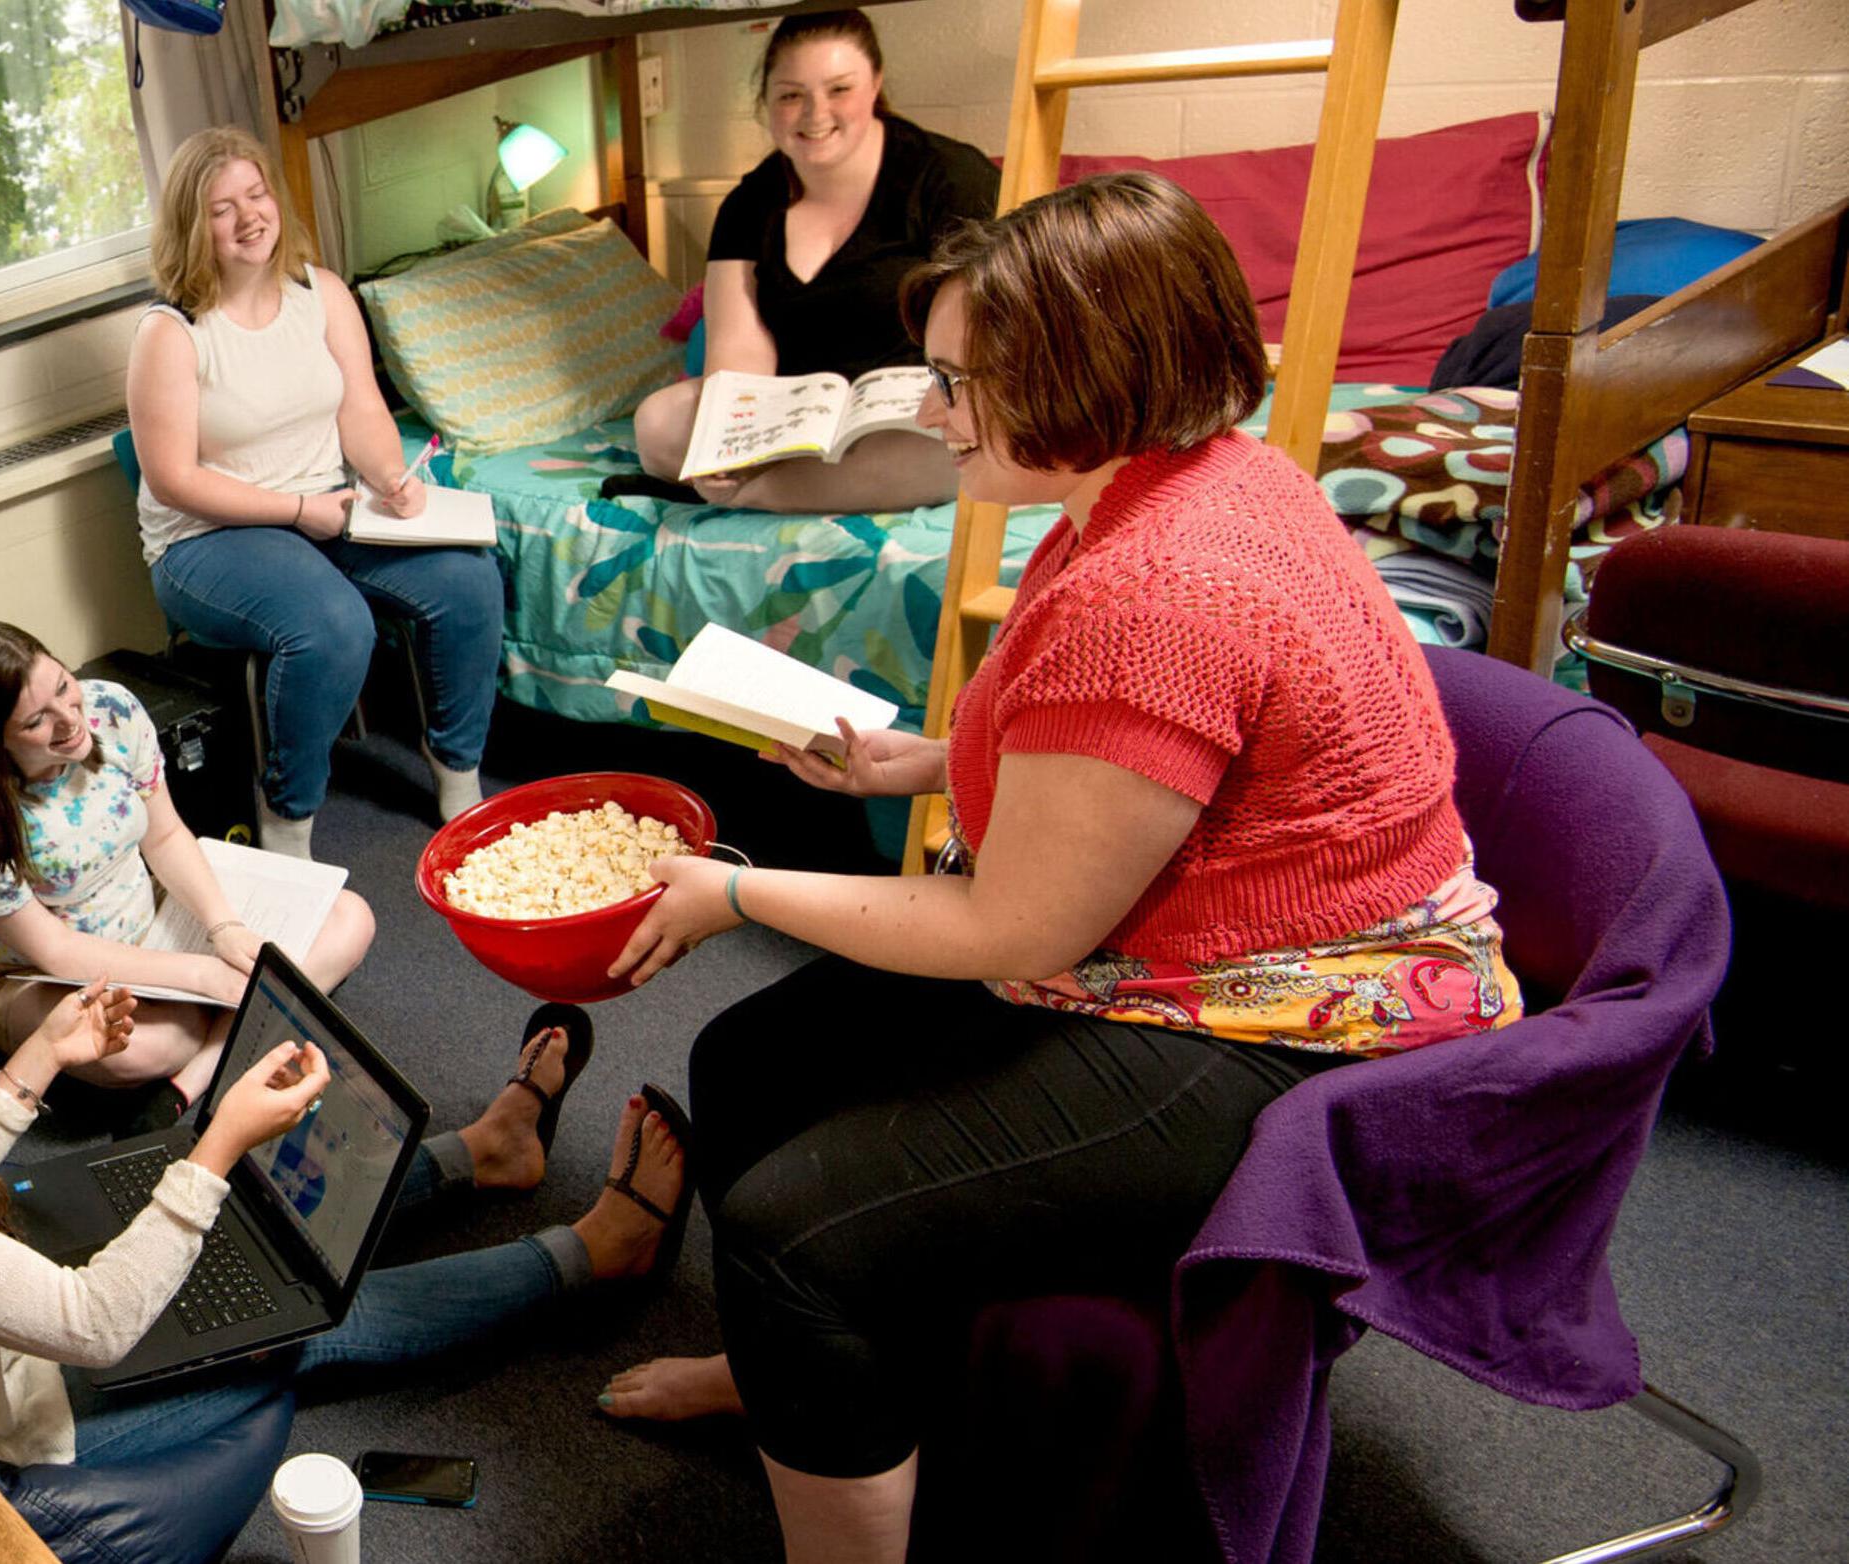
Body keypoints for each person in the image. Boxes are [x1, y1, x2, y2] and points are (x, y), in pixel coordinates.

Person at [605, 173, 1525, 1563]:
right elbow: (1136, 769)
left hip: (1295, 1025)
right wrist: (928, 759)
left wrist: (733, 889)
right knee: (745, 1065)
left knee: (797, 1230)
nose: (928, 413)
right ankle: (801, 1381)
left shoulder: (1155, 595)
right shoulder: (1179, 485)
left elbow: (1011, 922)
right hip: (1200, 922)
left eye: (957, 382)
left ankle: (826, 1429)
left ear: (1090, 378)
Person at [0, 856, 689, 1564]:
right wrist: (215, 1145)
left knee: (262, 1215)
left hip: (1, 1358)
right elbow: (92, 1321)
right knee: (295, 1311)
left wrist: (43, 1056)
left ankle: (484, 1151)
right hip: (12, 1429)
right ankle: (592, 1252)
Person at [127, 124, 506, 859]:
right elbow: (175, 480)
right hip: (208, 538)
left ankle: (458, 776)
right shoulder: (169, 332)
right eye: (220, 208)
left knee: (469, 582)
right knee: (335, 627)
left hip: (330, 506)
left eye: (256, 194)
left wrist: (388, 475)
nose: (248, 217)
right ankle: (287, 816)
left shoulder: (321, 292)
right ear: (190, 226)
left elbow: (361, 407)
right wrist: (300, 513)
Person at [0, 618, 375, 1110]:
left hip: (148, 912)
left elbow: (167, 835)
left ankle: (193, 1080)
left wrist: (223, 928)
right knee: (150, 1047)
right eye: (35, 722)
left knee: (350, 919)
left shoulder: (111, 709)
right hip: (33, 973)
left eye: (64, 686)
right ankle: (236, 1028)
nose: (71, 720)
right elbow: (55, 950)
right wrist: (203, 976)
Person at [627, 8, 997, 513]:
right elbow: (737, 348)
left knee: (953, 450)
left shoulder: (951, 177)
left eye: (839, 89)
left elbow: (982, 338)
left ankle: (753, 496)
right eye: (791, 95)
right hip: (795, 415)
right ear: (767, 101)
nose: (814, 113)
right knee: (659, 424)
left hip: (915, 409)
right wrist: (728, 444)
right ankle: (791, 482)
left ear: (875, 85)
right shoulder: (748, 203)